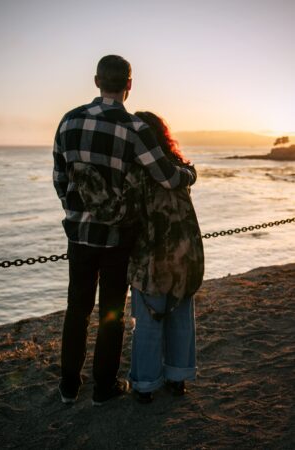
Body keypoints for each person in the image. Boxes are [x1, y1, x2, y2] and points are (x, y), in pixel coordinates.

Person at [53, 55, 196, 406]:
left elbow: (60, 178)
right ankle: (104, 388)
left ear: (96, 81)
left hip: (79, 236)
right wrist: (190, 175)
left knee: (77, 309)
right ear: (129, 85)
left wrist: (75, 212)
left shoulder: (69, 121)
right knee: (111, 312)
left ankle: (69, 386)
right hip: (118, 236)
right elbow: (165, 176)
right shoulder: (135, 129)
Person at [127, 112, 204, 403]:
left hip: (151, 257)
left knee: (148, 321)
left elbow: (129, 215)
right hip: (185, 253)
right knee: (181, 317)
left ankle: (145, 385)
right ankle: (177, 379)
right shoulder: (179, 168)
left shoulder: (136, 171)